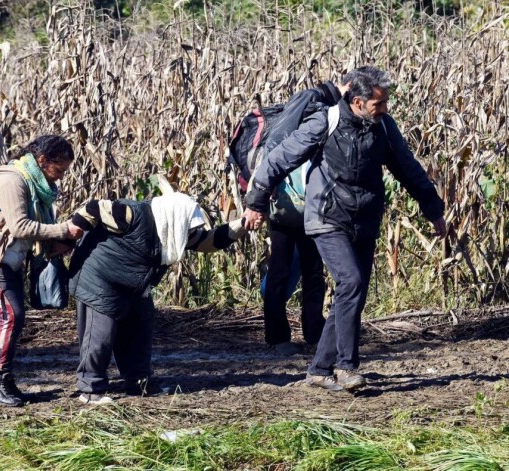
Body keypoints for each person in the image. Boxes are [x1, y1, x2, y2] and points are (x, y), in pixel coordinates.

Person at [243, 67, 446, 391]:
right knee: (350, 281)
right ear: (356, 101)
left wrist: (432, 208)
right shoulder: (325, 122)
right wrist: (256, 202)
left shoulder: (383, 127)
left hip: (363, 219)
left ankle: (320, 370)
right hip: (326, 216)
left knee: (353, 293)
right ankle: (347, 367)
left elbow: (408, 168)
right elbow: (278, 159)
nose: (384, 109)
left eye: (385, 103)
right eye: (378, 103)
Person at [67, 192, 247, 404]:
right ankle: (90, 389)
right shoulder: (133, 214)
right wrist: (67, 235)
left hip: (134, 286)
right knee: (100, 335)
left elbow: (209, 241)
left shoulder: (175, 229)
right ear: (174, 216)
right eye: (189, 227)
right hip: (99, 279)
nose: (190, 232)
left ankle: (139, 384)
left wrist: (243, 224)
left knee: (140, 328)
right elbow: (93, 208)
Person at [260, 67, 378, 355]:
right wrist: (268, 189)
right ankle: (277, 338)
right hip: (288, 203)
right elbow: (279, 140)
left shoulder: (342, 109)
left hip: (315, 205)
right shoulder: (312, 99)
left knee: (314, 271)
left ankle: (314, 333)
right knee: (280, 268)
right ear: (351, 88)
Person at [0, 135, 84, 407]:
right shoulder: (13, 181)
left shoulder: (36, 184)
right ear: (43, 161)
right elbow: (20, 227)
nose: (61, 176)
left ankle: (4, 379)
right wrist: (63, 229)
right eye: (59, 169)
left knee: (13, 315)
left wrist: (56, 244)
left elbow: (27, 231)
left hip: (8, 258)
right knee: (10, 316)